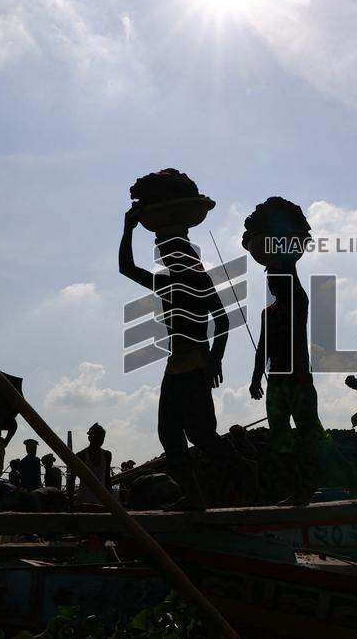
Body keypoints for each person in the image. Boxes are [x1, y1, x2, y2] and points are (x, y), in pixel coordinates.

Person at [120, 198, 255, 511]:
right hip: (175, 367)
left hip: (195, 364)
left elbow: (222, 319)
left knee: (201, 434)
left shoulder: (198, 280)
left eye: (169, 251)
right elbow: (126, 268)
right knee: (169, 433)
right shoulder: (166, 284)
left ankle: (245, 470)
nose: (164, 256)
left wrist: (215, 359)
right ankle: (194, 498)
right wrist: (127, 228)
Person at [250, 267, 329, 505]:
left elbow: (292, 272)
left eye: (275, 279)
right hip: (276, 382)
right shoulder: (267, 313)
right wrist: (255, 378)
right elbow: (262, 347)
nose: (272, 284)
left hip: (300, 381)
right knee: (281, 438)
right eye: (269, 281)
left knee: (309, 434)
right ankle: (298, 489)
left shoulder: (298, 304)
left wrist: (285, 259)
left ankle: (319, 482)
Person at [68, 423, 113, 506]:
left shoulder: (107, 455)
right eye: (97, 438)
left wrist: (111, 502)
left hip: (102, 502)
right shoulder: (81, 456)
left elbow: (107, 479)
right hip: (84, 502)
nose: (100, 440)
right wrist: (70, 504)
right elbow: (72, 480)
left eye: (102, 438)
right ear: (90, 438)